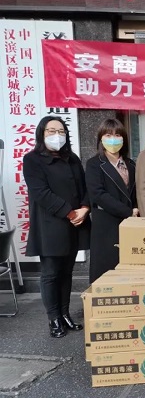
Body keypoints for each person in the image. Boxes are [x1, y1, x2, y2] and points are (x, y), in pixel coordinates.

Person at [23, 116, 90, 338]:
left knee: (67, 272)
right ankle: (53, 318)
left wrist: (85, 208)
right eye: (51, 131)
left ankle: (65, 314)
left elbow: (84, 187)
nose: (56, 135)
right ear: (41, 134)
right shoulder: (32, 160)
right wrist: (69, 212)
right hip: (51, 225)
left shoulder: (72, 158)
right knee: (51, 273)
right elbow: (41, 193)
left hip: (74, 224)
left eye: (61, 131)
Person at [85, 119, 138, 284]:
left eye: (117, 135)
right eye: (108, 135)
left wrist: (136, 209)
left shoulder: (131, 164)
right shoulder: (94, 164)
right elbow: (98, 194)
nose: (113, 139)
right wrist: (128, 211)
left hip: (130, 224)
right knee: (106, 272)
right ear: (101, 139)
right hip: (106, 224)